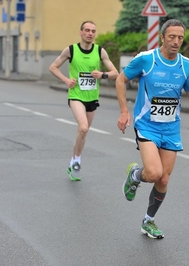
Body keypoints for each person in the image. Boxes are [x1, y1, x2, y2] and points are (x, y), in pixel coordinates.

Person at [115, 19, 189, 239]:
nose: (176, 42)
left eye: (180, 38)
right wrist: (124, 112)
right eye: (172, 37)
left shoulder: (186, 65)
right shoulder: (147, 60)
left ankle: (149, 221)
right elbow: (120, 79)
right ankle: (135, 175)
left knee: (163, 179)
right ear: (162, 37)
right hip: (147, 125)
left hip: (171, 129)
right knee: (153, 172)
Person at [49, 21, 119, 181]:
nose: (90, 33)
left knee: (83, 132)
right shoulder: (71, 50)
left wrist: (102, 74)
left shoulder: (100, 51)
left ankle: (73, 160)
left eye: (93, 31)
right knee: (83, 127)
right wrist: (66, 81)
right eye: (87, 30)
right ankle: (77, 164)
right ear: (80, 32)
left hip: (92, 98)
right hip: (76, 96)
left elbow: (115, 72)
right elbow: (53, 67)